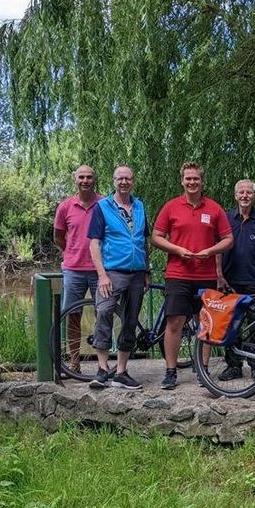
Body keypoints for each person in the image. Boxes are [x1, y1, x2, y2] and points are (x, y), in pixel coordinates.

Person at [151, 162, 233, 389]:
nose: (192, 182)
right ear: (182, 181)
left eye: (196, 178)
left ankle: (202, 369)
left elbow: (228, 240)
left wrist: (211, 251)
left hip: (206, 275)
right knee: (174, 322)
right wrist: (177, 250)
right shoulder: (171, 207)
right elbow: (156, 236)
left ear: (202, 181)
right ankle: (170, 371)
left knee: (205, 323)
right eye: (188, 178)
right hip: (178, 274)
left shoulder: (214, 209)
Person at [87, 165, 150, 390]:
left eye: (128, 178)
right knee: (104, 313)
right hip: (113, 272)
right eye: (119, 178)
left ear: (133, 181)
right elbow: (94, 242)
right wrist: (102, 275)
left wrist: (147, 270)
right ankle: (103, 369)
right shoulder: (102, 207)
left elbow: (144, 240)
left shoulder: (140, 206)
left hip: (137, 273)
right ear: (113, 181)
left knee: (130, 320)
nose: (124, 182)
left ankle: (121, 372)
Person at [215, 179, 255, 381]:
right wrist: (219, 275)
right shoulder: (225, 218)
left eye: (249, 192)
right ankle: (233, 365)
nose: (245, 196)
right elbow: (218, 248)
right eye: (241, 192)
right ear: (236, 195)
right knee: (231, 325)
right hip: (230, 282)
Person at [53, 165, 102, 373]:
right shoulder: (65, 206)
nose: (85, 180)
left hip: (100, 269)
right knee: (73, 315)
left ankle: (103, 363)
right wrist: (71, 252)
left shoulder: (104, 204)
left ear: (95, 180)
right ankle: (74, 362)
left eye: (89, 177)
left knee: (104, 314)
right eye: (81, 177)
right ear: (75, 179)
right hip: (74, 270)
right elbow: (58, 236)